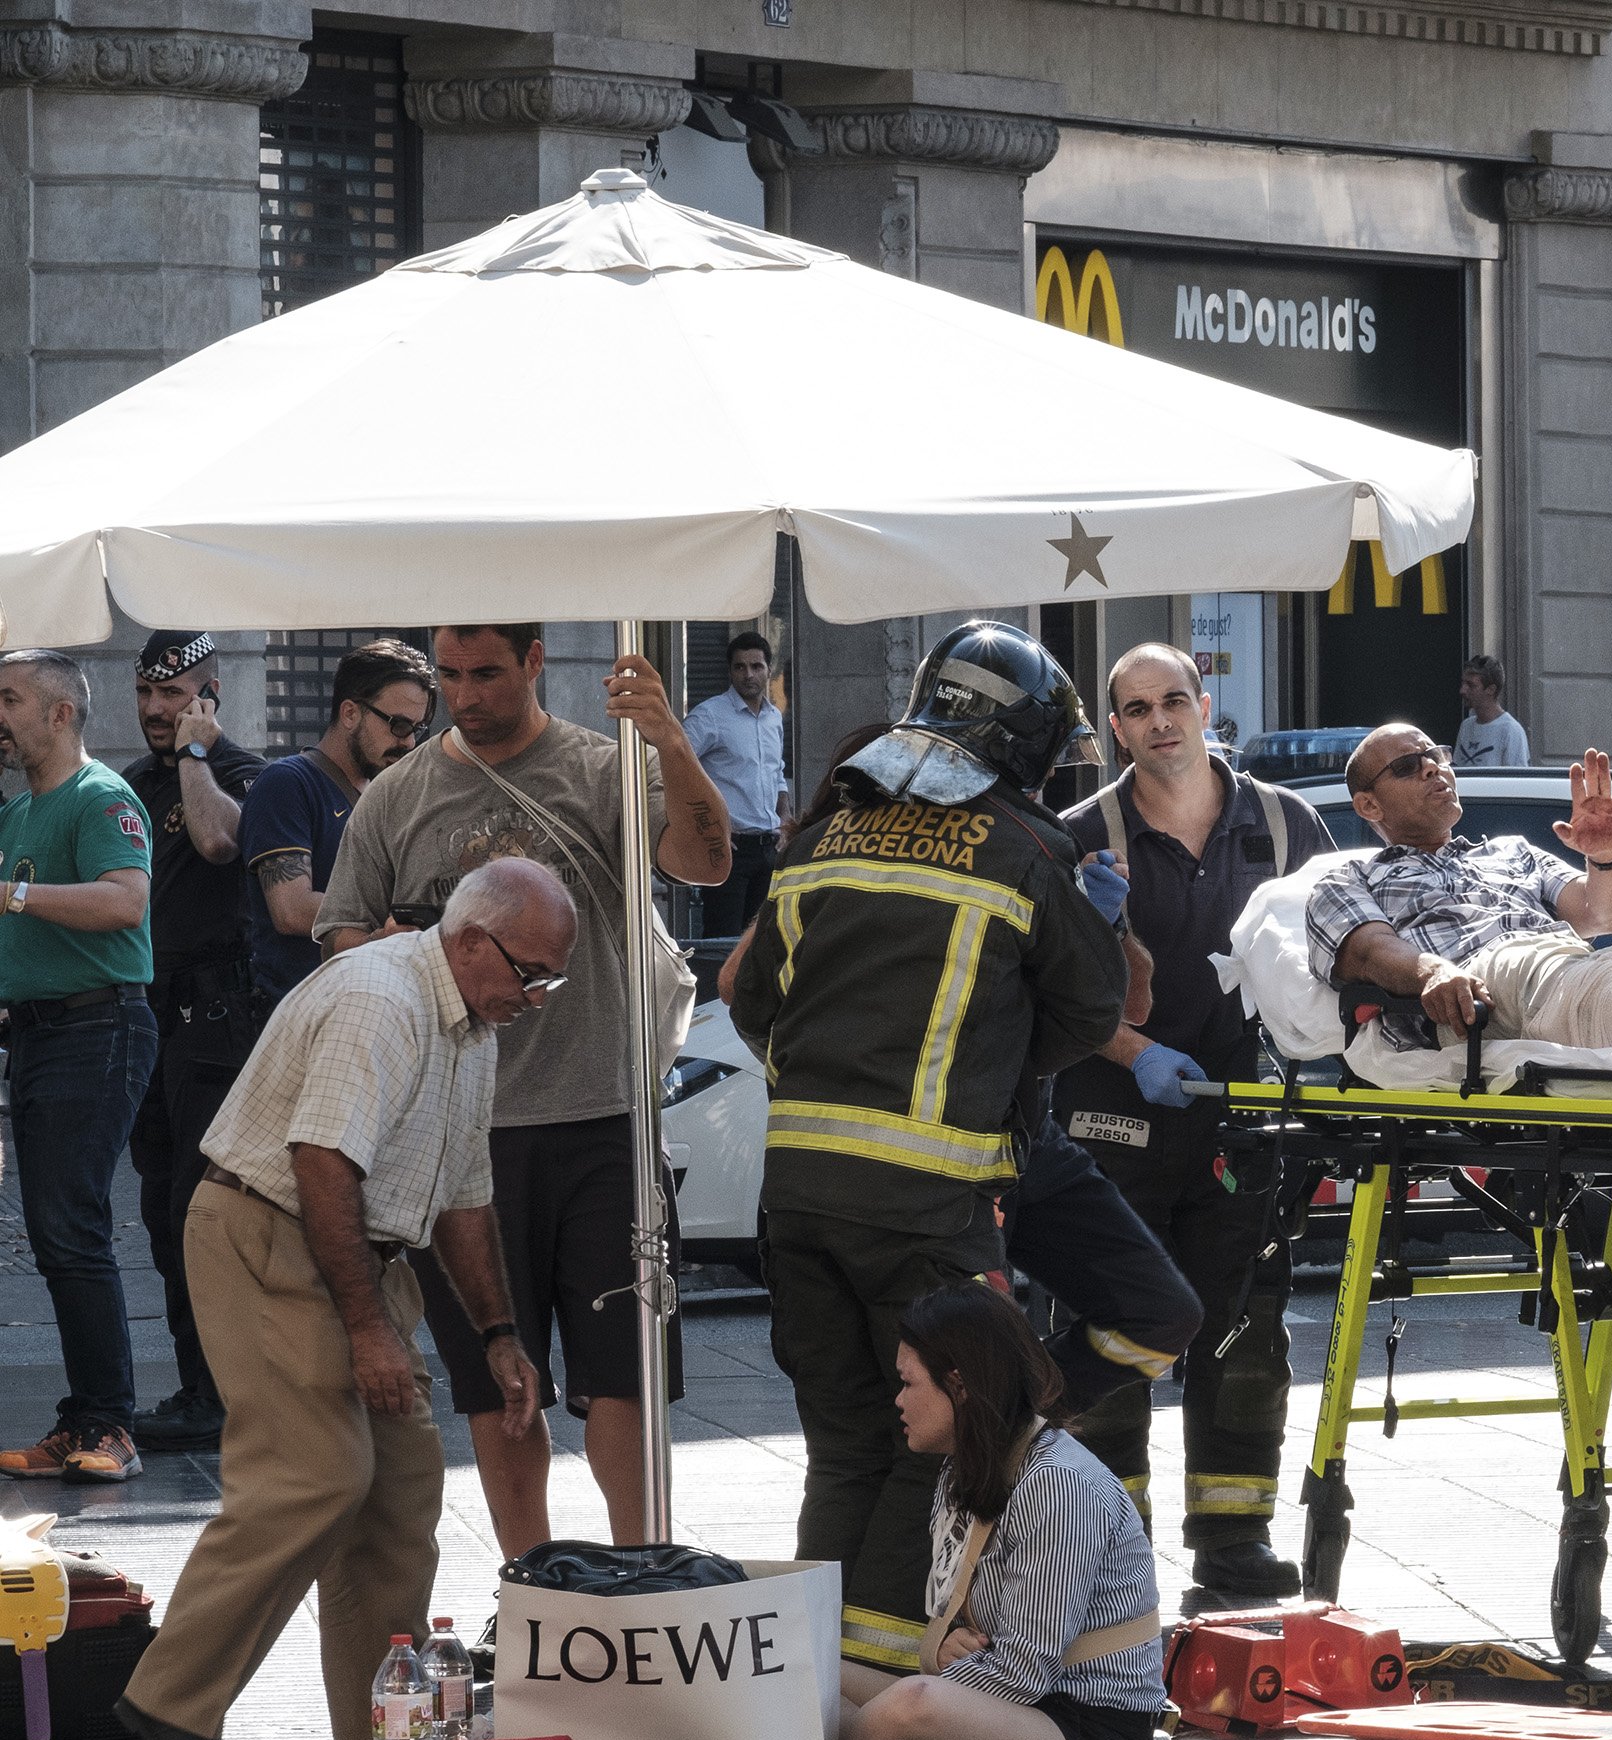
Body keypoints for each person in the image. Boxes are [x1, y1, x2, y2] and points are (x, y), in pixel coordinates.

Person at [731, 622, 1157, 1628]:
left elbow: (753, 1002)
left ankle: (808, 1700)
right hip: (926, 1210)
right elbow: (1094, 1014)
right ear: (1030, 745)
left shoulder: (822, 834)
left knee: (840, 1444)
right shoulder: (1030, 846)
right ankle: (877, 1712)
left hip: (794, 1201)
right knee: (923, 1448)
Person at [111, 860, 563, 1740]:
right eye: (532, 973)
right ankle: (171, 1700)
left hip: (357, 1251)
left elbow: (466, 1201)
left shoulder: (474, 1022)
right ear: (475, 941)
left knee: (400, 1495)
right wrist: (368, 1331)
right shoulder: (380, 999)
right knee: (317, 1471)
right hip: (265, 1232)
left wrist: (499, 1334)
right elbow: (321, 1163)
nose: (539, 997)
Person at [317, 623, 732, 1555]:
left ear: (536, 662)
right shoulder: (399, 795)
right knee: (497, 1385)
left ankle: (641, 1567)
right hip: (461, 1135)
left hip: (602, 1119)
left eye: (488, 673)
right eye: (451, 675)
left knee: (621, 1376)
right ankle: (532, 1585)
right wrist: (389, 945)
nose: (466, 695)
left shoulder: (604, 768)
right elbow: (340, 944)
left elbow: (707, 862)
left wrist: (668, 738)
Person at [1058, 643, 1332, 1596]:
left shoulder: (1287, 825)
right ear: (1117, 728)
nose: (1160, 723)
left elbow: (1338, 953)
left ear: (1206, 703)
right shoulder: (1081, 836)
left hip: (1245, 1120)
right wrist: (1135, 1056)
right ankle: (1110, 1548)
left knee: (1246, 1327)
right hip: (1113, 1117)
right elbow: (1050, 993)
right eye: (1136, 710)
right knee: (1113, 1322)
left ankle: (1233, 1537)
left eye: (1174, 700)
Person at [839, 1283, 1166, 1740]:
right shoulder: (961, 1465)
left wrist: (946, 1670)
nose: (896, 1400)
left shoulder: (1059, 1485)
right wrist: (947, 1649)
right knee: (816, 1667)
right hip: (1012, 1713)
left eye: (907, 1382)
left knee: (914, 1707)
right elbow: (957, 1620)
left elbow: (1023, 1670)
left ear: (959, 1385)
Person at [1309, 729, 1612, 1050]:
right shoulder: (1347, 879)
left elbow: (1607, 916)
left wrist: (1606, 857)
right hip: (1477, 994)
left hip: (1566, 970)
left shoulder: (1511, 851)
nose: (1432, 768)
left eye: (1436, 755)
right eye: (1407, 767)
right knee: (1561, 974)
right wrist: (1436, 973)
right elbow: (1370, 952)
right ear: (1368, 804)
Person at [0, 651, 160, 1486]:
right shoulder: (19, 813)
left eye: (10, 698)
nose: (0, 713)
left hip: (97, 1027)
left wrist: (13, 895)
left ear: (61, 714)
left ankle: (111, 1425)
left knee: (73, 1229)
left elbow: (124, 900)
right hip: (35, 1034)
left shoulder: (100, 796)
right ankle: (85, 1418)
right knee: (57, 1235)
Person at [122, 632, 270, 1455]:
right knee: (158, 1212)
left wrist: (194, 756)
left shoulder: (244, 776)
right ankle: (200, 1386)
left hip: (219, 1022)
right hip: (148, 1019)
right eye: (146, 694)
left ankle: (228, 1391)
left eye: (173, 696)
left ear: (210, 695)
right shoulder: (131, 786)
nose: (153, 710)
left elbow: (221, 843)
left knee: (201, 1213)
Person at [240, 639, 438, 1007]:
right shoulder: (287, 784)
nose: (409, 742)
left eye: (418, 728)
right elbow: (291, 909)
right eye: (397, 725)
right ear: (349, 713)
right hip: (299, 1009)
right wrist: (392, 924)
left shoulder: (391, 793)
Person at [685, 629, 789, 936]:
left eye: (756, 666)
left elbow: (776, 772)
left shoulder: (773, 718)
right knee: (723, 942)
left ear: (769, 669)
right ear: (730, 671)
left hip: (768, 847)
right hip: (728, 849)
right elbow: (675, 768)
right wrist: (706, 825)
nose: (748, 675)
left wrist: (786, 818)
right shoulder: (710, 716)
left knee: (760, 943)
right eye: (740, 667)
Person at [1453, 654, 1530, 767]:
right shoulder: (1466, 726)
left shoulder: (1510, 730)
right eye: (1463, 683)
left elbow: (1516, 780)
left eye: (1471, 685)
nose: (1463, 690)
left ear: (1491, 689)